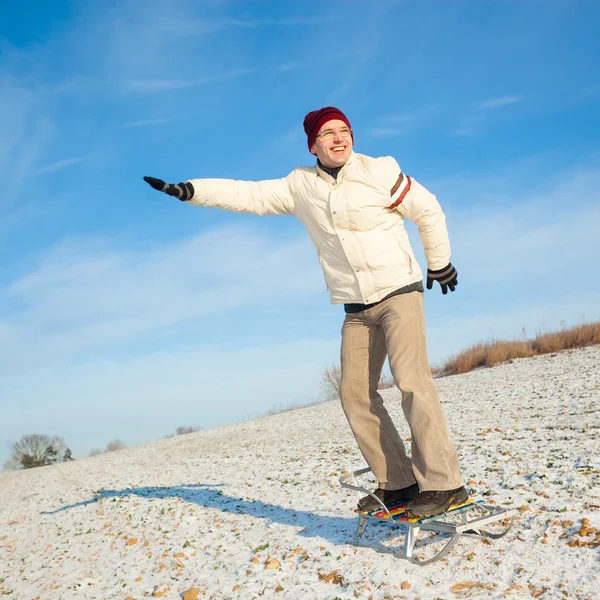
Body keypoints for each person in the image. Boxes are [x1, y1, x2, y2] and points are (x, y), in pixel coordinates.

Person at [143, 106, 467, 518]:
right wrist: (191, 190)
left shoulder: (380, 171)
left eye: (345, 131)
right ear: (313, 144)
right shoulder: (300, 185)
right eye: (328, 133)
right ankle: (399, 482)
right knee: (354, 395)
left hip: (399, 291)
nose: (339, 138)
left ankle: (445, 484)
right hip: (355, 307)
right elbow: (249, 195)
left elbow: (428, 210)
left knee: (411, 381)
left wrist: (438, 261)